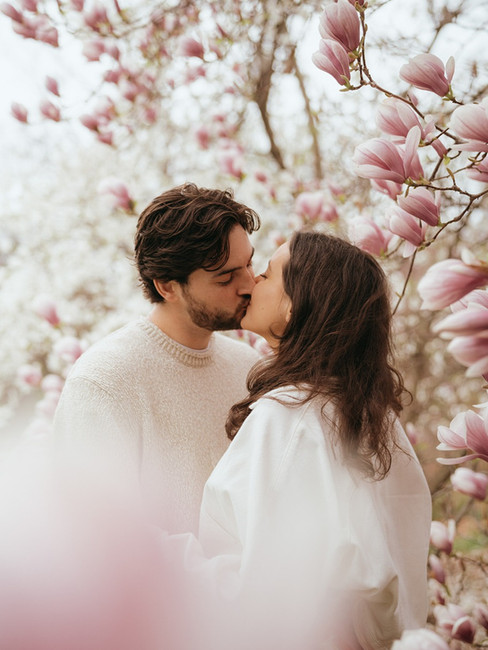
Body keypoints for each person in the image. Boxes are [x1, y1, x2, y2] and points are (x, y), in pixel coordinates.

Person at [188, 231, 432, 650]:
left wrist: (173, 561)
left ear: (294, 306)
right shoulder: (373, 417)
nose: (250, 284)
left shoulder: (289, 415)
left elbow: (274, 594)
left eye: (266, 275)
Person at [53, 183, 261, 534]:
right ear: (167, 286)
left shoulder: (250, 368)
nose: (249, 284)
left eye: (249, 264)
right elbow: (98, 537)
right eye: (226, 276)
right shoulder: (104, 382)